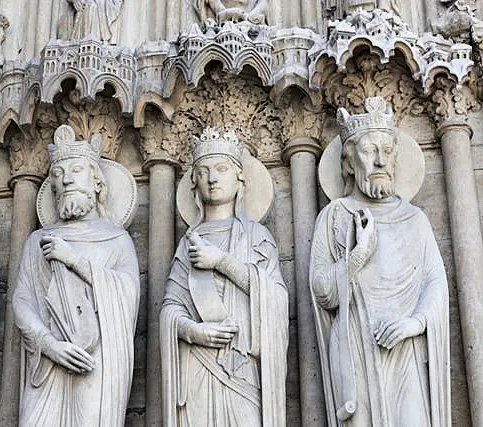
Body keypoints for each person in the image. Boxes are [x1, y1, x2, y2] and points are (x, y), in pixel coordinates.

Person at [310, 97, 450, 426]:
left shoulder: (415, 219)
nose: (379, 161)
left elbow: (435, 282)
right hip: (355, 348)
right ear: (347, 162)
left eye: (387, 151)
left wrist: (413, 323)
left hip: (406, 350)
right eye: (369, 151)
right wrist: (358, 254)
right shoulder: (333, 216)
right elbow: (321, 291)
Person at [160, 127, 288, 426]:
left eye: (221, 169)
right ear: (194, 182)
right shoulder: (188, 243)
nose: (212, 179)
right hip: (197, 366)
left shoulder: (257, 236)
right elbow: (170, 307)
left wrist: (221, 262)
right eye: (203, 171)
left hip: (242, 366)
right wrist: (192, 331)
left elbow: (277, 299)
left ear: (239, 177)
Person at [13, 125, 140, 426]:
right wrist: (48, 344)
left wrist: (73, 260)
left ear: (97, 180)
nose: (67, 179)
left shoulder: (117, 239)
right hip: (47, 363)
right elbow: (22, 301)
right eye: (58, 174)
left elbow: (129, 295)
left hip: (95, 361)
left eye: (77, 170)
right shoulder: (38, 240)